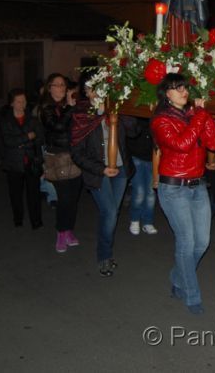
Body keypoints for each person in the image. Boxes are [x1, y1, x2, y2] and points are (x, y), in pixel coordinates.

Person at [151, 73, 215, 314]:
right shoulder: (161, 120)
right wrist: (200, 115)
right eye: (176, 88)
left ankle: (177, 277)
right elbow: (182, 144)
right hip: (173, 188)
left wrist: (204, 117)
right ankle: (192, 296)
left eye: (184, 87)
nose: (183, 91)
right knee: (186, 241)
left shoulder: (195, 117)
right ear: (166, 94)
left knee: (201, 243)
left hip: (198, 186)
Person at [70, 83, 135, 277]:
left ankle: (106, 250)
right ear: (87, 92)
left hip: (121, 169)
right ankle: (104, 256)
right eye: (93, 89)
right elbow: (77, 153)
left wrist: (124, 111)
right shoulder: (81, 116)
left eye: (103, 89)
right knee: (109, 213)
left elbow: (134, 132)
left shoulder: (115, 109)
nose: (99, 93)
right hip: (98, 173)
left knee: (111, 214)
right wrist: (102, 169)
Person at [39, 73, 82, 253]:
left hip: (75, 156)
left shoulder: (68, 105)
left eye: (63, 84)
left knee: (74, 198)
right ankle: (61, 232)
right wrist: (70, 109)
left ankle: (69, 230)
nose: (61, 88)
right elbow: (57, 126)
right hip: (58, 158)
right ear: (50, 88)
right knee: (64, 199)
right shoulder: (46, 108)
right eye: (57, 85)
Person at [0, 88, 44, 229]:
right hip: (13, 162)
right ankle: (18, 218)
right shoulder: (6, 120)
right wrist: (26, 137)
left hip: (31, 161)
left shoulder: (32, 119)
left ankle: (36, 221)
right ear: (12, 103)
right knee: (15, 193)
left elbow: (40, 137)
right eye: (18, 101)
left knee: (34, 193)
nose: (22, 104)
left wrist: (22, 142)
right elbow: (8, 141)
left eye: (23, 101)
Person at [126, 117, 158, 236]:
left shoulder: (159, 113)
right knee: (139, 191)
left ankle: (147, 221)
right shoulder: (137, 114)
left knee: (150, 192)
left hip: (152, 158)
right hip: (136, 156)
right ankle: (135, 219)